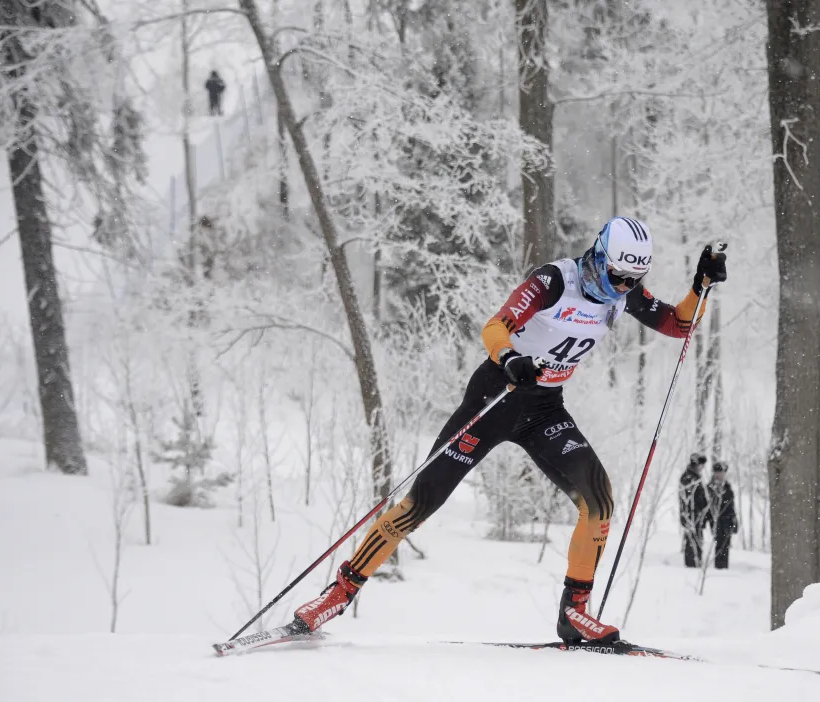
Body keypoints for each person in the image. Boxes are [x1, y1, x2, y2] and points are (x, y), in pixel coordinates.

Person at [289, 217, 727, 644]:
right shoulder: (555, 280)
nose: (624, 287)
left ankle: (575, 613)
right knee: (420, 503)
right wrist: (510, 357)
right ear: (597, 255)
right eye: (617, 275)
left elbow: (677, 324)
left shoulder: (620, 293)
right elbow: (495, 326)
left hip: (544, 409)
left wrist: (699, 285)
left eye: (634, 279)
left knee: (599, 500)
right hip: (495, 397)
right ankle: (337, 595)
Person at [679, 453, 709, 568]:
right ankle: (692, 566)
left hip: (697, 517)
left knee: (697, 543)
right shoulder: (688, 479)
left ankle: (696, 563)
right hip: (691, 517)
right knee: (692, 543)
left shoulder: (695, 478)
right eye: (700, 465)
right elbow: (687, 501)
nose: (702, 468)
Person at [706, 461, 737, 569]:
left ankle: (724, 567)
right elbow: (708, 506)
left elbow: (731, 505)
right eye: (718, 472)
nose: (720, 474)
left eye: (722, 472)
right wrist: (710, 520)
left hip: (727, 521)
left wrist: (734, 521)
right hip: (717, 520)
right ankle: (719, 567)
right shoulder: (711, 488)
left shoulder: (727, 487)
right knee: (719, 544)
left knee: (725, 545)